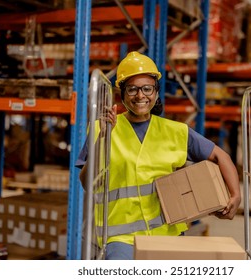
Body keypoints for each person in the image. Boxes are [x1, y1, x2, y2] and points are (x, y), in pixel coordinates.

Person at [76, 51, 241, 260]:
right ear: (122, 93)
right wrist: (102, 140)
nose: (140, 96)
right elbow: (86, 183)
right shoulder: (102, 128)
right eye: (132, 89)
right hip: (120, 238)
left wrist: (236, 195)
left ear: (156, 91)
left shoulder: (176, 131)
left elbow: (220, 156)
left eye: (147, 88)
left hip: (168, 233)